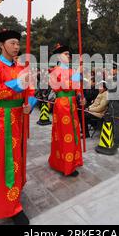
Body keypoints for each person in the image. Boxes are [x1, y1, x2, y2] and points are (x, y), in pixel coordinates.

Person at [0, 30, 37, 225]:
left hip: (18, 118)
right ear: (1, 45)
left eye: (18, 44)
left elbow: (31, 89)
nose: (17, 47)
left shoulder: (22, 66)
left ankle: (14, 195)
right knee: (3, 159)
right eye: (13, 43)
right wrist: (17, 83)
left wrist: (30, 104)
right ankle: (7, 204)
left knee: (17, 157)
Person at [48, 44, 84, 177]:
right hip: (62, 105)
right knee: (65, 133)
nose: (68, 56)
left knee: (74, 131)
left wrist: (80, 95)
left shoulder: (70, 70)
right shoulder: (55, 71)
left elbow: (76, 86)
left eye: (69, 54)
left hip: (72, 104)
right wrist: (77, 73)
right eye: (66, 54)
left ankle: (75, 160)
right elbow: (64, 86)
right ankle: (66, 165)